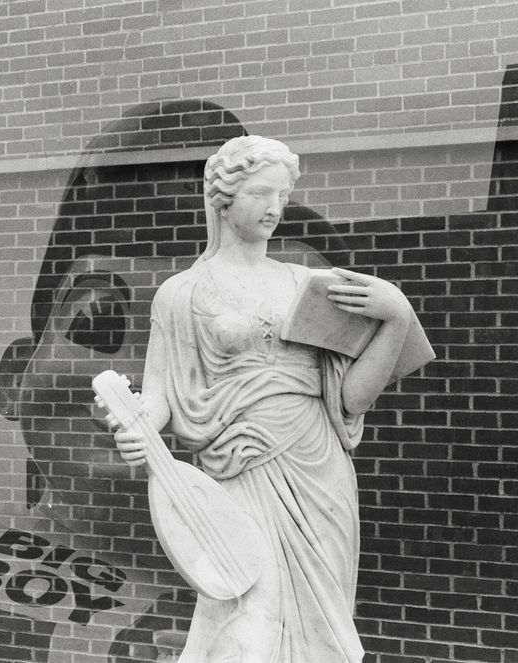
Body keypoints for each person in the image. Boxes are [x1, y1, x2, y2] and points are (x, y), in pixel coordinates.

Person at [113, 136, 414, 662]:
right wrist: (136, 427)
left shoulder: (307, 283)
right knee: (247, 626)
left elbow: (352, 397)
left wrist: (397, 315)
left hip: (320, 472)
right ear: (222, 198)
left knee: (323, 635)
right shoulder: (182, 293)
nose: (275, 208)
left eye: (283, 195)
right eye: (260, 193)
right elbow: (159, 392)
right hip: (241, 473)